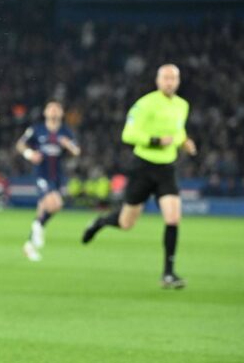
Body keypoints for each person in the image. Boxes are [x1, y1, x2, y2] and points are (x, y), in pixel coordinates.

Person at [82, 64, 197, 289]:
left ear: (178, 81)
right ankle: (100, 222)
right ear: (157, 80)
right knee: (126, 223)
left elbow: (178, 130)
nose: (169, 82)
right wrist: (154, 140)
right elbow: (129, 133)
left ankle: (168, 273)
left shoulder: (182, 105)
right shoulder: (145, 104)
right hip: (143, 167)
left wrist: (185, 142)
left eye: (173, 78)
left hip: (167, 169)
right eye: (165, 78)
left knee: (173, 218)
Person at [15, 101, 80, 261]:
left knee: (44, 208)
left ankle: (29, 245)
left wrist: (68, 145)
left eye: (57, 108)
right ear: (45, 112)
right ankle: (38, 227)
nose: (54, 111)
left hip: (57, 175)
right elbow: (20, 144)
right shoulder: (37, 129)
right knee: (56, 203)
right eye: (51, 108)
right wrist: (30, 154)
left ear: (62, 113)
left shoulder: (66, 131)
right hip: (41, 173)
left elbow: (77, 151)